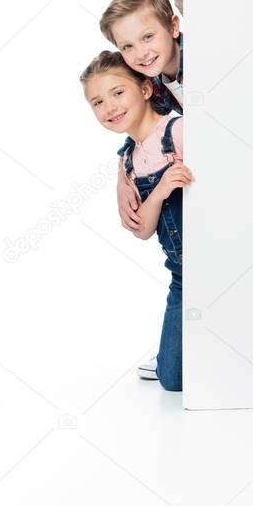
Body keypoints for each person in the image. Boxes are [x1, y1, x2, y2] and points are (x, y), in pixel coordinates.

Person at [79, 50, 193, 391]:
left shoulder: (178, 131)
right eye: (97, 102)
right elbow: (143, 229)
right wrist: (159, 192)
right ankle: (170, 355)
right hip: (183, 279)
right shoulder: (129, 159)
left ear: (145, 90)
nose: (109, 108)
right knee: (172, 382)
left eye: (117, 93)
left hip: (217, 267)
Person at [100, 0, 184, 381]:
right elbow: (148, 123)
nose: (141, 53)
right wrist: (125, 168)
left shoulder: (196, 66)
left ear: (174, 26)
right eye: (128, 46)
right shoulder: (157, 84)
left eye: (148, 38)